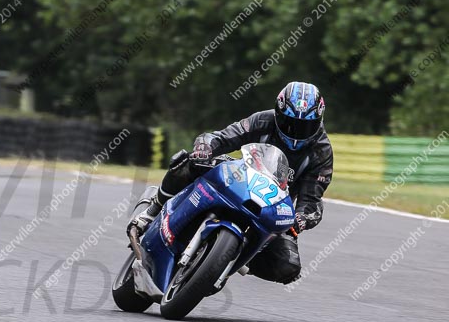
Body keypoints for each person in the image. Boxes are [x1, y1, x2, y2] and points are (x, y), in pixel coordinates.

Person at [128, 81, 333, 284]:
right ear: (278, 113)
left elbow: (312, 200)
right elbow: (224, 137)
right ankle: (153, 210)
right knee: (187, 163)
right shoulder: (262, 120)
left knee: (287, 266)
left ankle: (228, 261)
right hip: (241, 177)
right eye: (290, 123)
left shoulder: (322, 152)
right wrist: (205, 147)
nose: (296, 132)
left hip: (274, 205)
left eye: (306, 126)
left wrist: (302, 219)